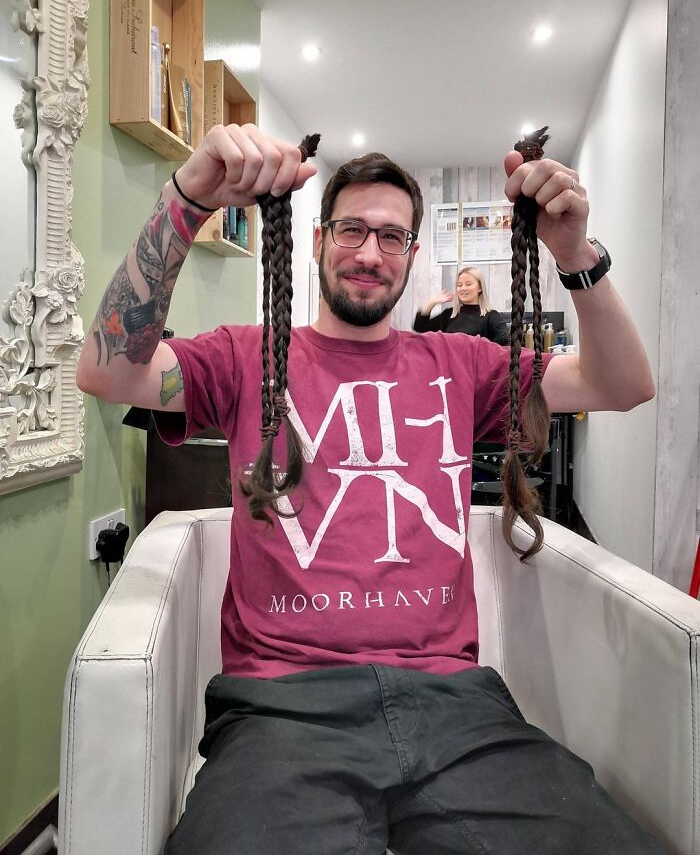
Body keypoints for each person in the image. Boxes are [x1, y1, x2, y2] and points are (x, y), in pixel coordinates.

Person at [77, 123, 661, 854]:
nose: (370, 253)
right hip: (282, 714)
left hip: (459, 712)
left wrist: (576, 256)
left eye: (392, 237)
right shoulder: (244, 358)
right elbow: (108, 371)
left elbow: (622, 384)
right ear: (319, 240)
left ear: (412, 255)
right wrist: (187, 199)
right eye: (352, 229)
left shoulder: (461, 363)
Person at [413, 266, 509, 344]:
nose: (463, 288)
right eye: (459, 285)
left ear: (480, 287)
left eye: (468, 284)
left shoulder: (491, 316)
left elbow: (504, 337)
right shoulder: (450, 314)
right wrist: (432, 302)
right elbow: (419, 327)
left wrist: (481, 354)